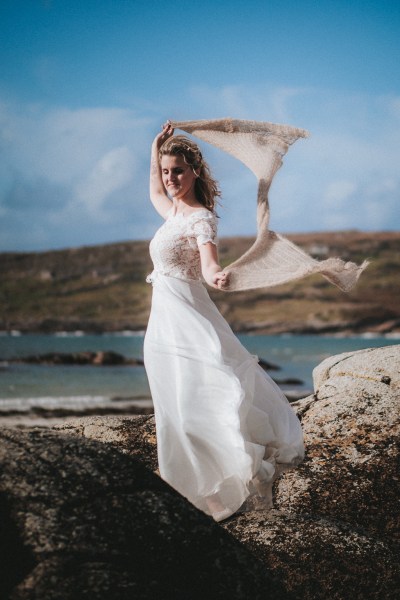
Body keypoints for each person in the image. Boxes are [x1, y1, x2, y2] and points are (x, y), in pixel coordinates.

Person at [143, 121, 304, 522]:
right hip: (164, 320)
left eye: (177, 170)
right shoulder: (172, 211)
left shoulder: (200, 218)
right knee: (172, 401)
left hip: (188, 315)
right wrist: (155, 149)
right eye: (166, 171)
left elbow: (210, 264)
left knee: (199, 395)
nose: (170, 178)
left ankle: (223, 485)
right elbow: (153, 190)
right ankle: (194, 486)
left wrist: (217, 275)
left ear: (194, 170)